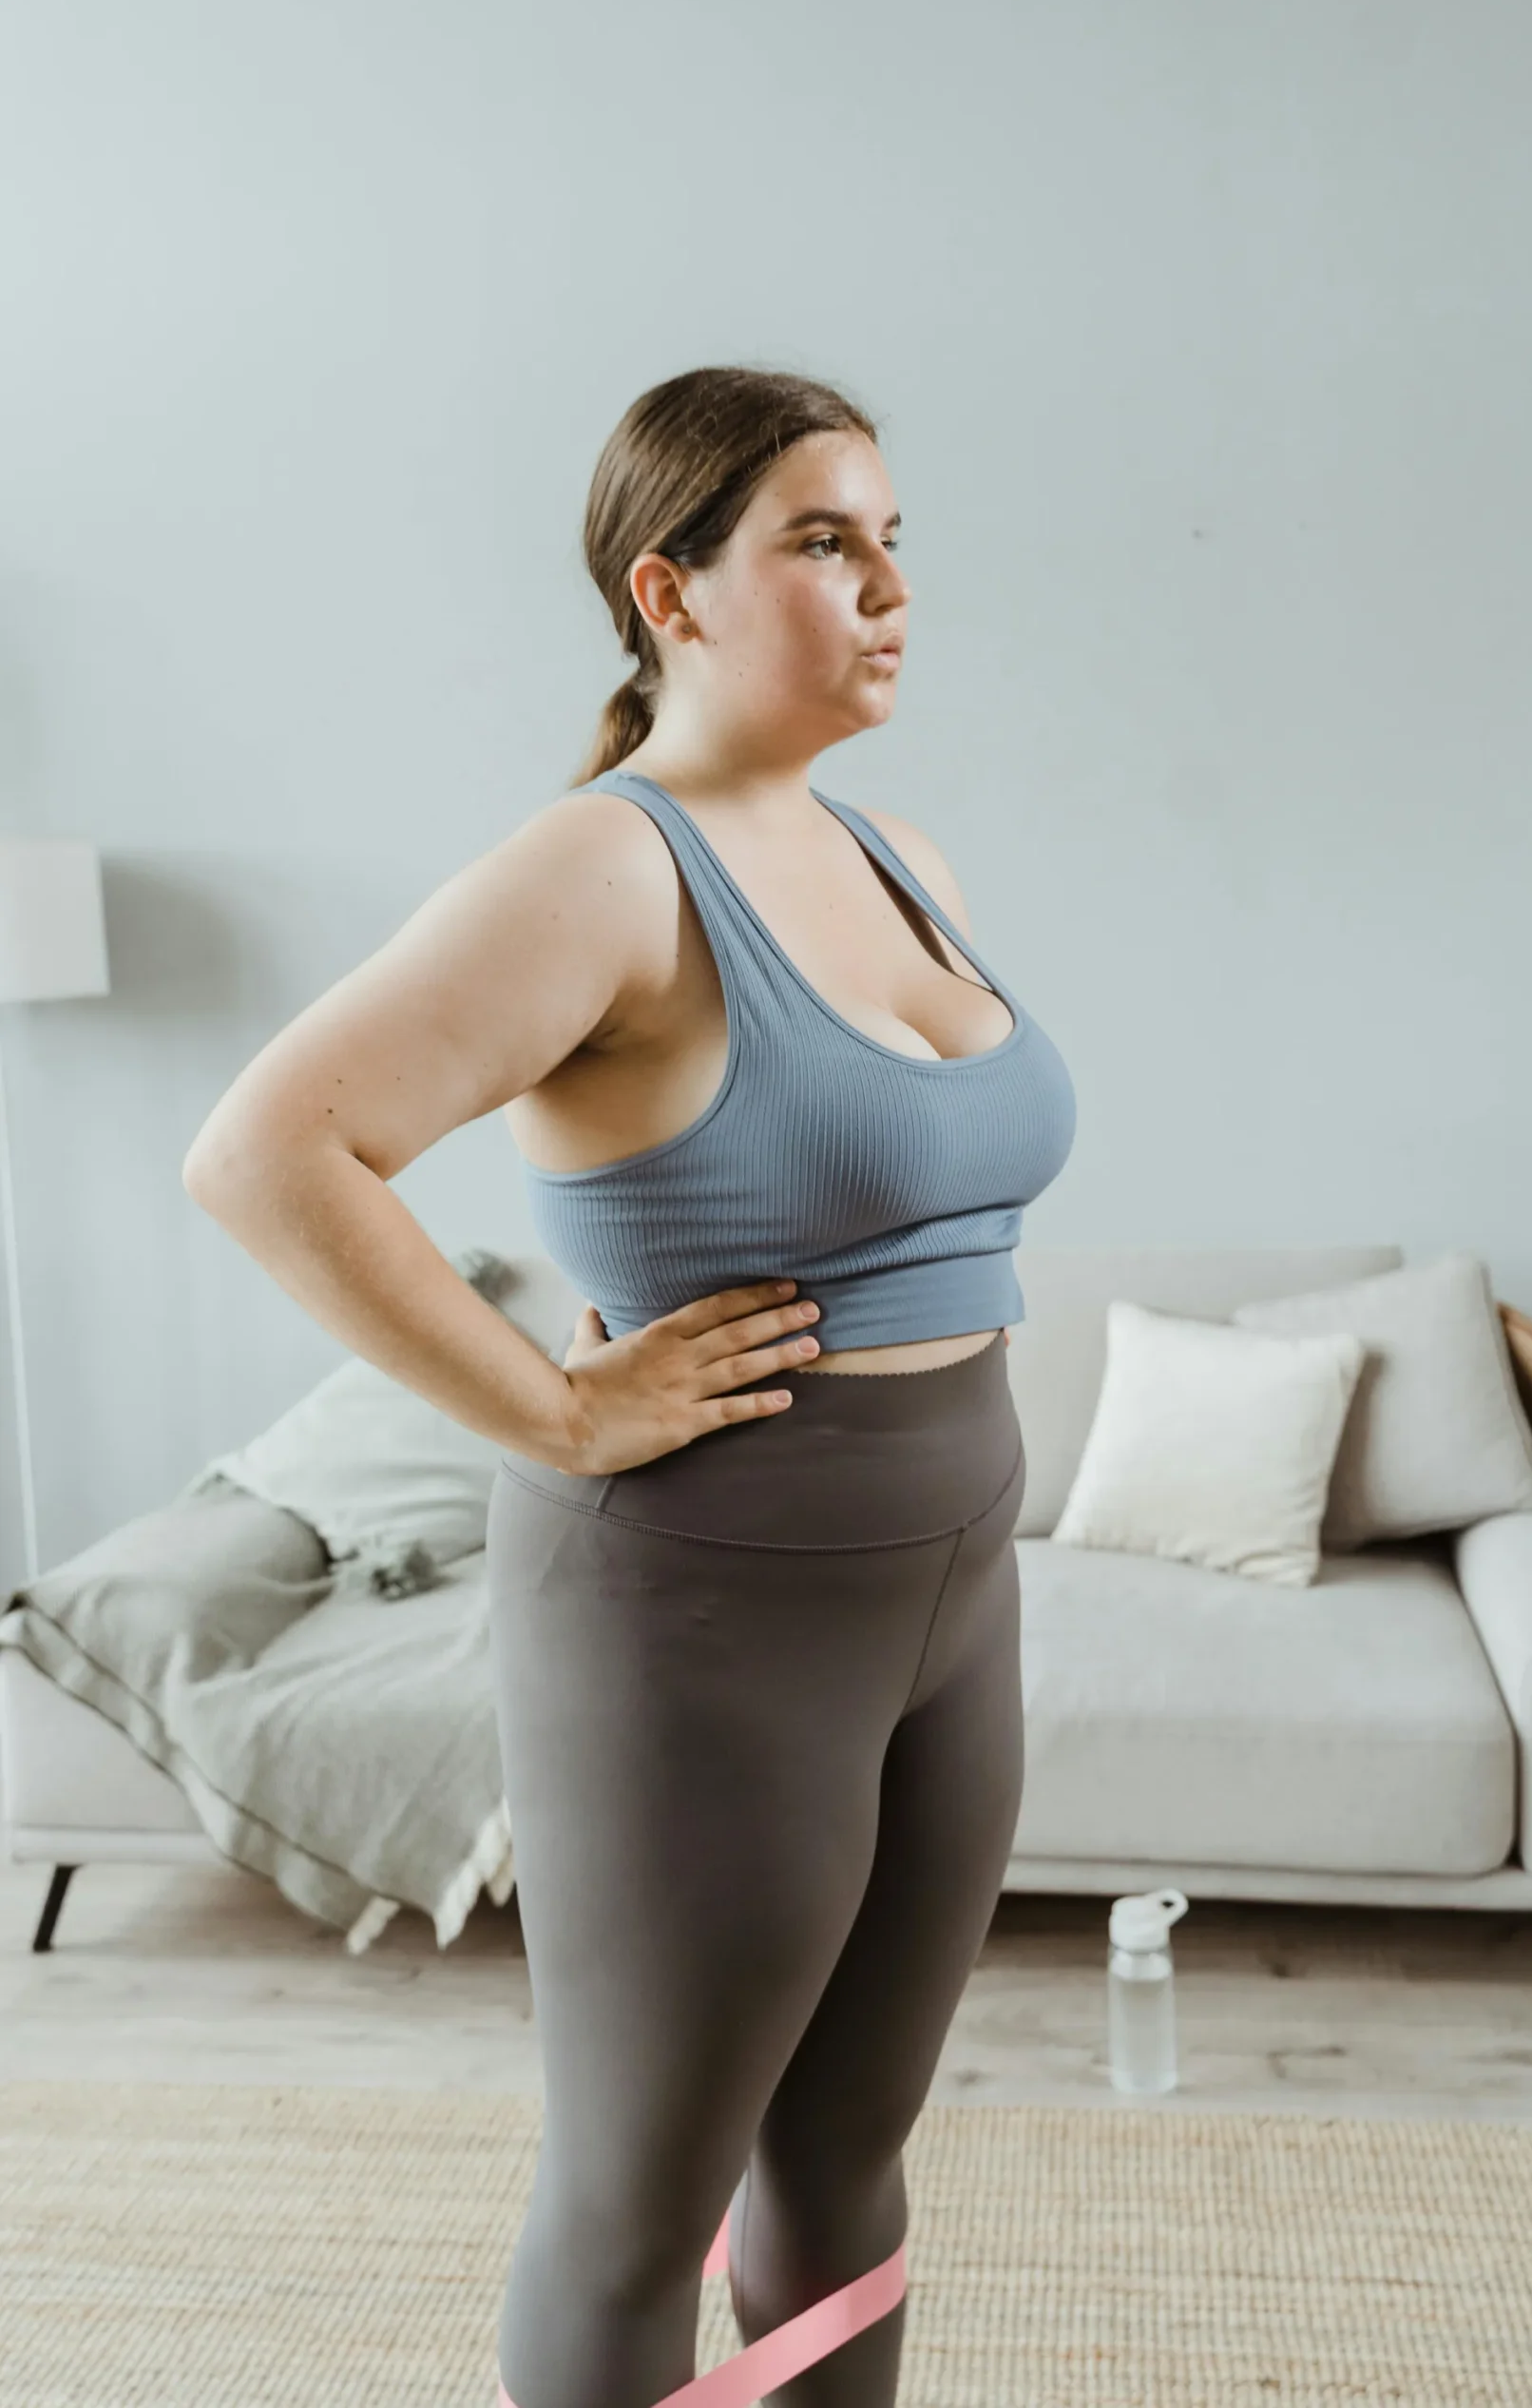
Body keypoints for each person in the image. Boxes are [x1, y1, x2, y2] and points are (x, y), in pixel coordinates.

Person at [183, 363, 1076, 2408]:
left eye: (893, 539)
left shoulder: (891, 847)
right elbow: (266, 1151)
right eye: (821, 542)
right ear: (669, 595)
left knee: (846, 2149)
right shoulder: (604, 870)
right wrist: (555, 1410)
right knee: (632, 2198)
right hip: (705, 1604)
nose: (885, 587)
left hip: (954, 1579)